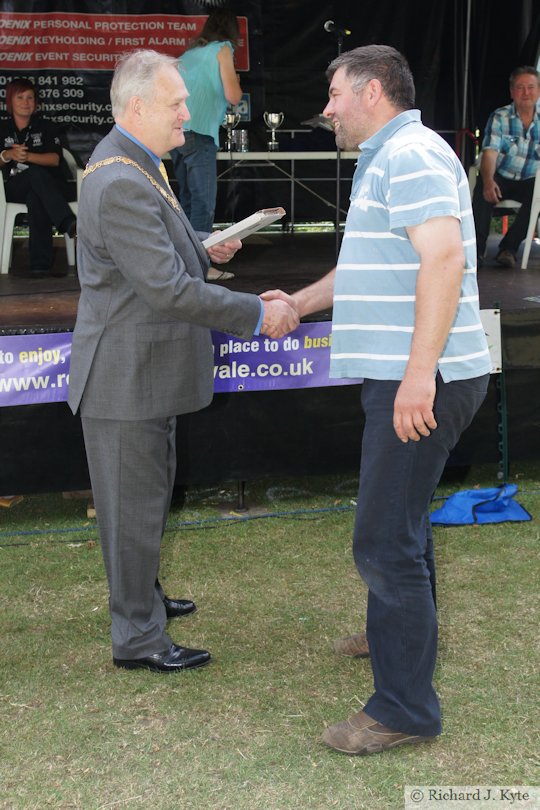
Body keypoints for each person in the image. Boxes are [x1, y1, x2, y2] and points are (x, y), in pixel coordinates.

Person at [263, 45, 492, 755]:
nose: (326, 108)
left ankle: (403, 708)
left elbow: (445, 259)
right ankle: (390, 634)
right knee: (400, 528)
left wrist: (419, 372)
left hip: (419, 378)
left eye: (334, 94)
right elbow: (364, 266)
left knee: (383, 539)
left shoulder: (412, 156)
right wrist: (298, 302)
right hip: (407, 373)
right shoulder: (386, 158)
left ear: (369, 91)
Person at [67, 50, 298, 674]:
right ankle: (137, 637)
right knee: (131, 507)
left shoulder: (134, 162)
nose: (188, 113)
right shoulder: (120, 179)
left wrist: (202, 244)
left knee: (144, 499)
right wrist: (255, 313)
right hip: (125, 378)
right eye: (177, 103)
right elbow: (167, 289)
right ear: (137, 107)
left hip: (143, 373)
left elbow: (156, 252)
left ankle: (144, 599)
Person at [170, 8, 242, 258]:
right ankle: (200, 264)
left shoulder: (190, 54)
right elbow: (233, 95)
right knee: (203, 202)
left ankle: (184, 261)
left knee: (187, 201)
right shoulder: (222, 49)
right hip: (200, 133)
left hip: (178, 134)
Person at [0, 78, 77, 278]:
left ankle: (40, 266)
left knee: (36, 195)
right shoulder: (2, 128)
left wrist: (28, 157)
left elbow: (54, 159)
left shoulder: (46, 126)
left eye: (30, 98)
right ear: (10, 101)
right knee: (32, 174)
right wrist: (7, 155)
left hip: (50, 185)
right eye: (20, 97)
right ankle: (68, 222)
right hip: (14, 187)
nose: (26, 102)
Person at [472, 66, 540, 268]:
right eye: (520, 87)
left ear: (538, 90)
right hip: (502, 175)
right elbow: (489, 152)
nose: (526, 93)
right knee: (483, 191)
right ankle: (476, 253)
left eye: (531, 87)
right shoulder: (500, 117)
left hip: (531, 180)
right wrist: (488, 180)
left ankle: (508, 249)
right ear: (512, 92)